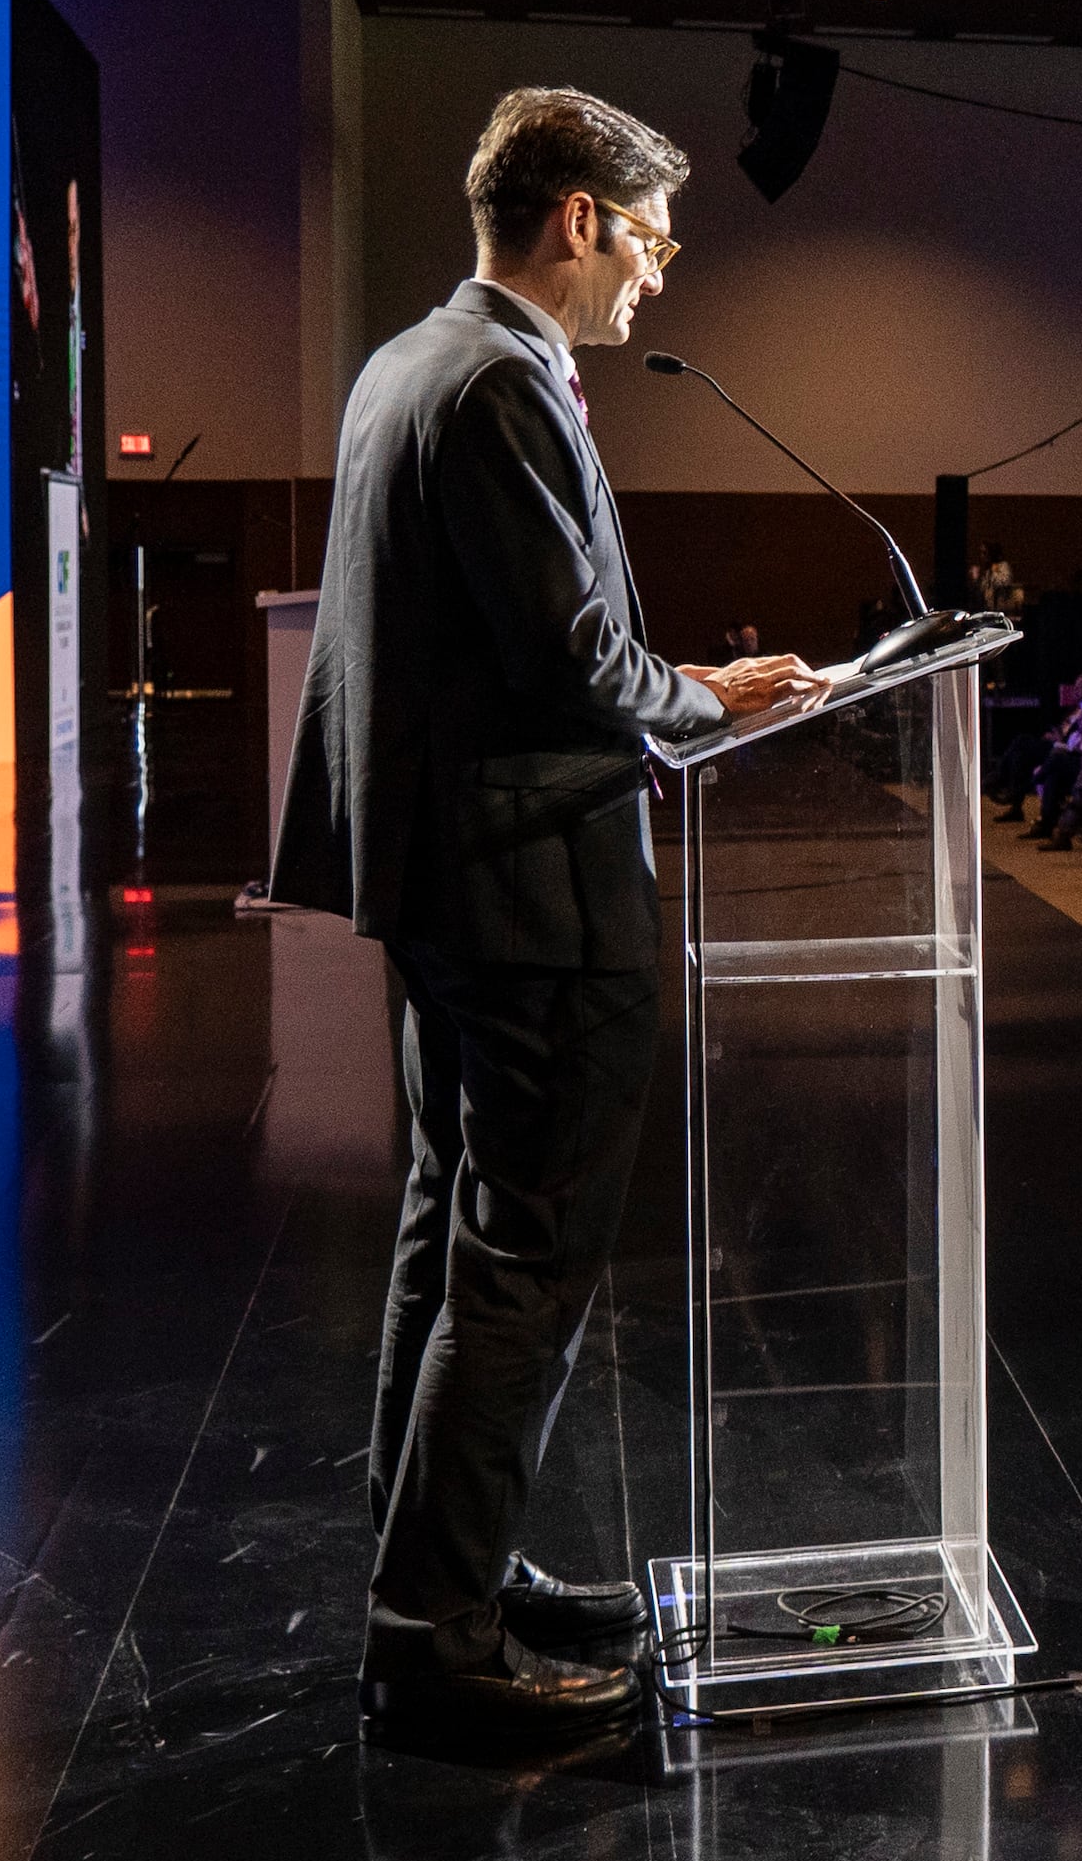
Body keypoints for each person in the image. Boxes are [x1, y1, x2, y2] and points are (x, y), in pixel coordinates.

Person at [271, 86, 812, 1753]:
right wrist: (705, 694)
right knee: (519, 1261)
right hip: (533, 895)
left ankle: (440, 1577)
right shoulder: (500, 381)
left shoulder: (407, 363)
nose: (656, 273)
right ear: (577, 218)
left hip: (453, 883)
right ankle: (435, 1644)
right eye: (648, 237)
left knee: (454, 1245)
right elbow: (579, 660)